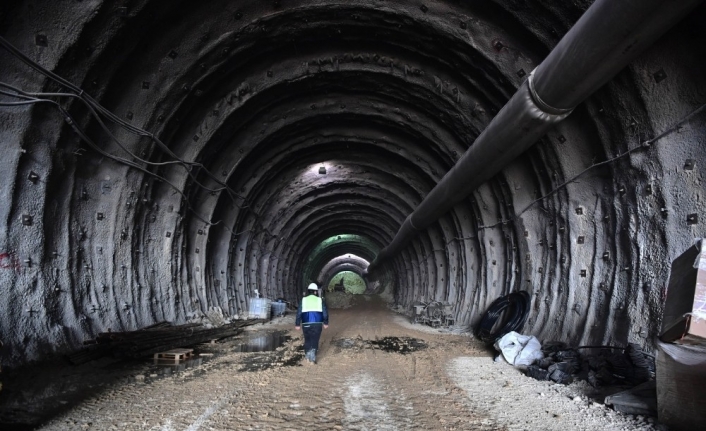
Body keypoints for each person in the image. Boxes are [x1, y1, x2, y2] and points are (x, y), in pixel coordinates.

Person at [295, 282, 329, 364]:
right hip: (317, 324)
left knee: (307, 339)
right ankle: (313, 355)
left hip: (305, 323)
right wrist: (326, 322)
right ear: (315, 291)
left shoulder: (303, 300)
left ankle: (307, 354)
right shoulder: (320, 300)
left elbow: (299, 312)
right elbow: (325, 313)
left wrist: (297, 324)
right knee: (315, 339)